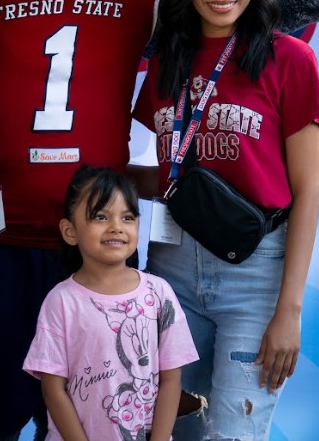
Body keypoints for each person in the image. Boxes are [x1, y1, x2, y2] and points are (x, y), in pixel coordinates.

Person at [132, 0, 319, 440]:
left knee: (233, 434)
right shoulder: (170, 61)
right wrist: (111, 182)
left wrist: (289, 311)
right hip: (173, 268)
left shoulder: (290, 60)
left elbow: (307, 191)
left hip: (256, 276)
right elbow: (176, 175)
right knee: (168, 431)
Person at [23, 166, 198, 441]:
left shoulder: (159, 293)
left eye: (127, 217)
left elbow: (171, 381)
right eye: (101, 217)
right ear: (70, 231)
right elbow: (53, 390)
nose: (116, 226)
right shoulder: (61, 301)